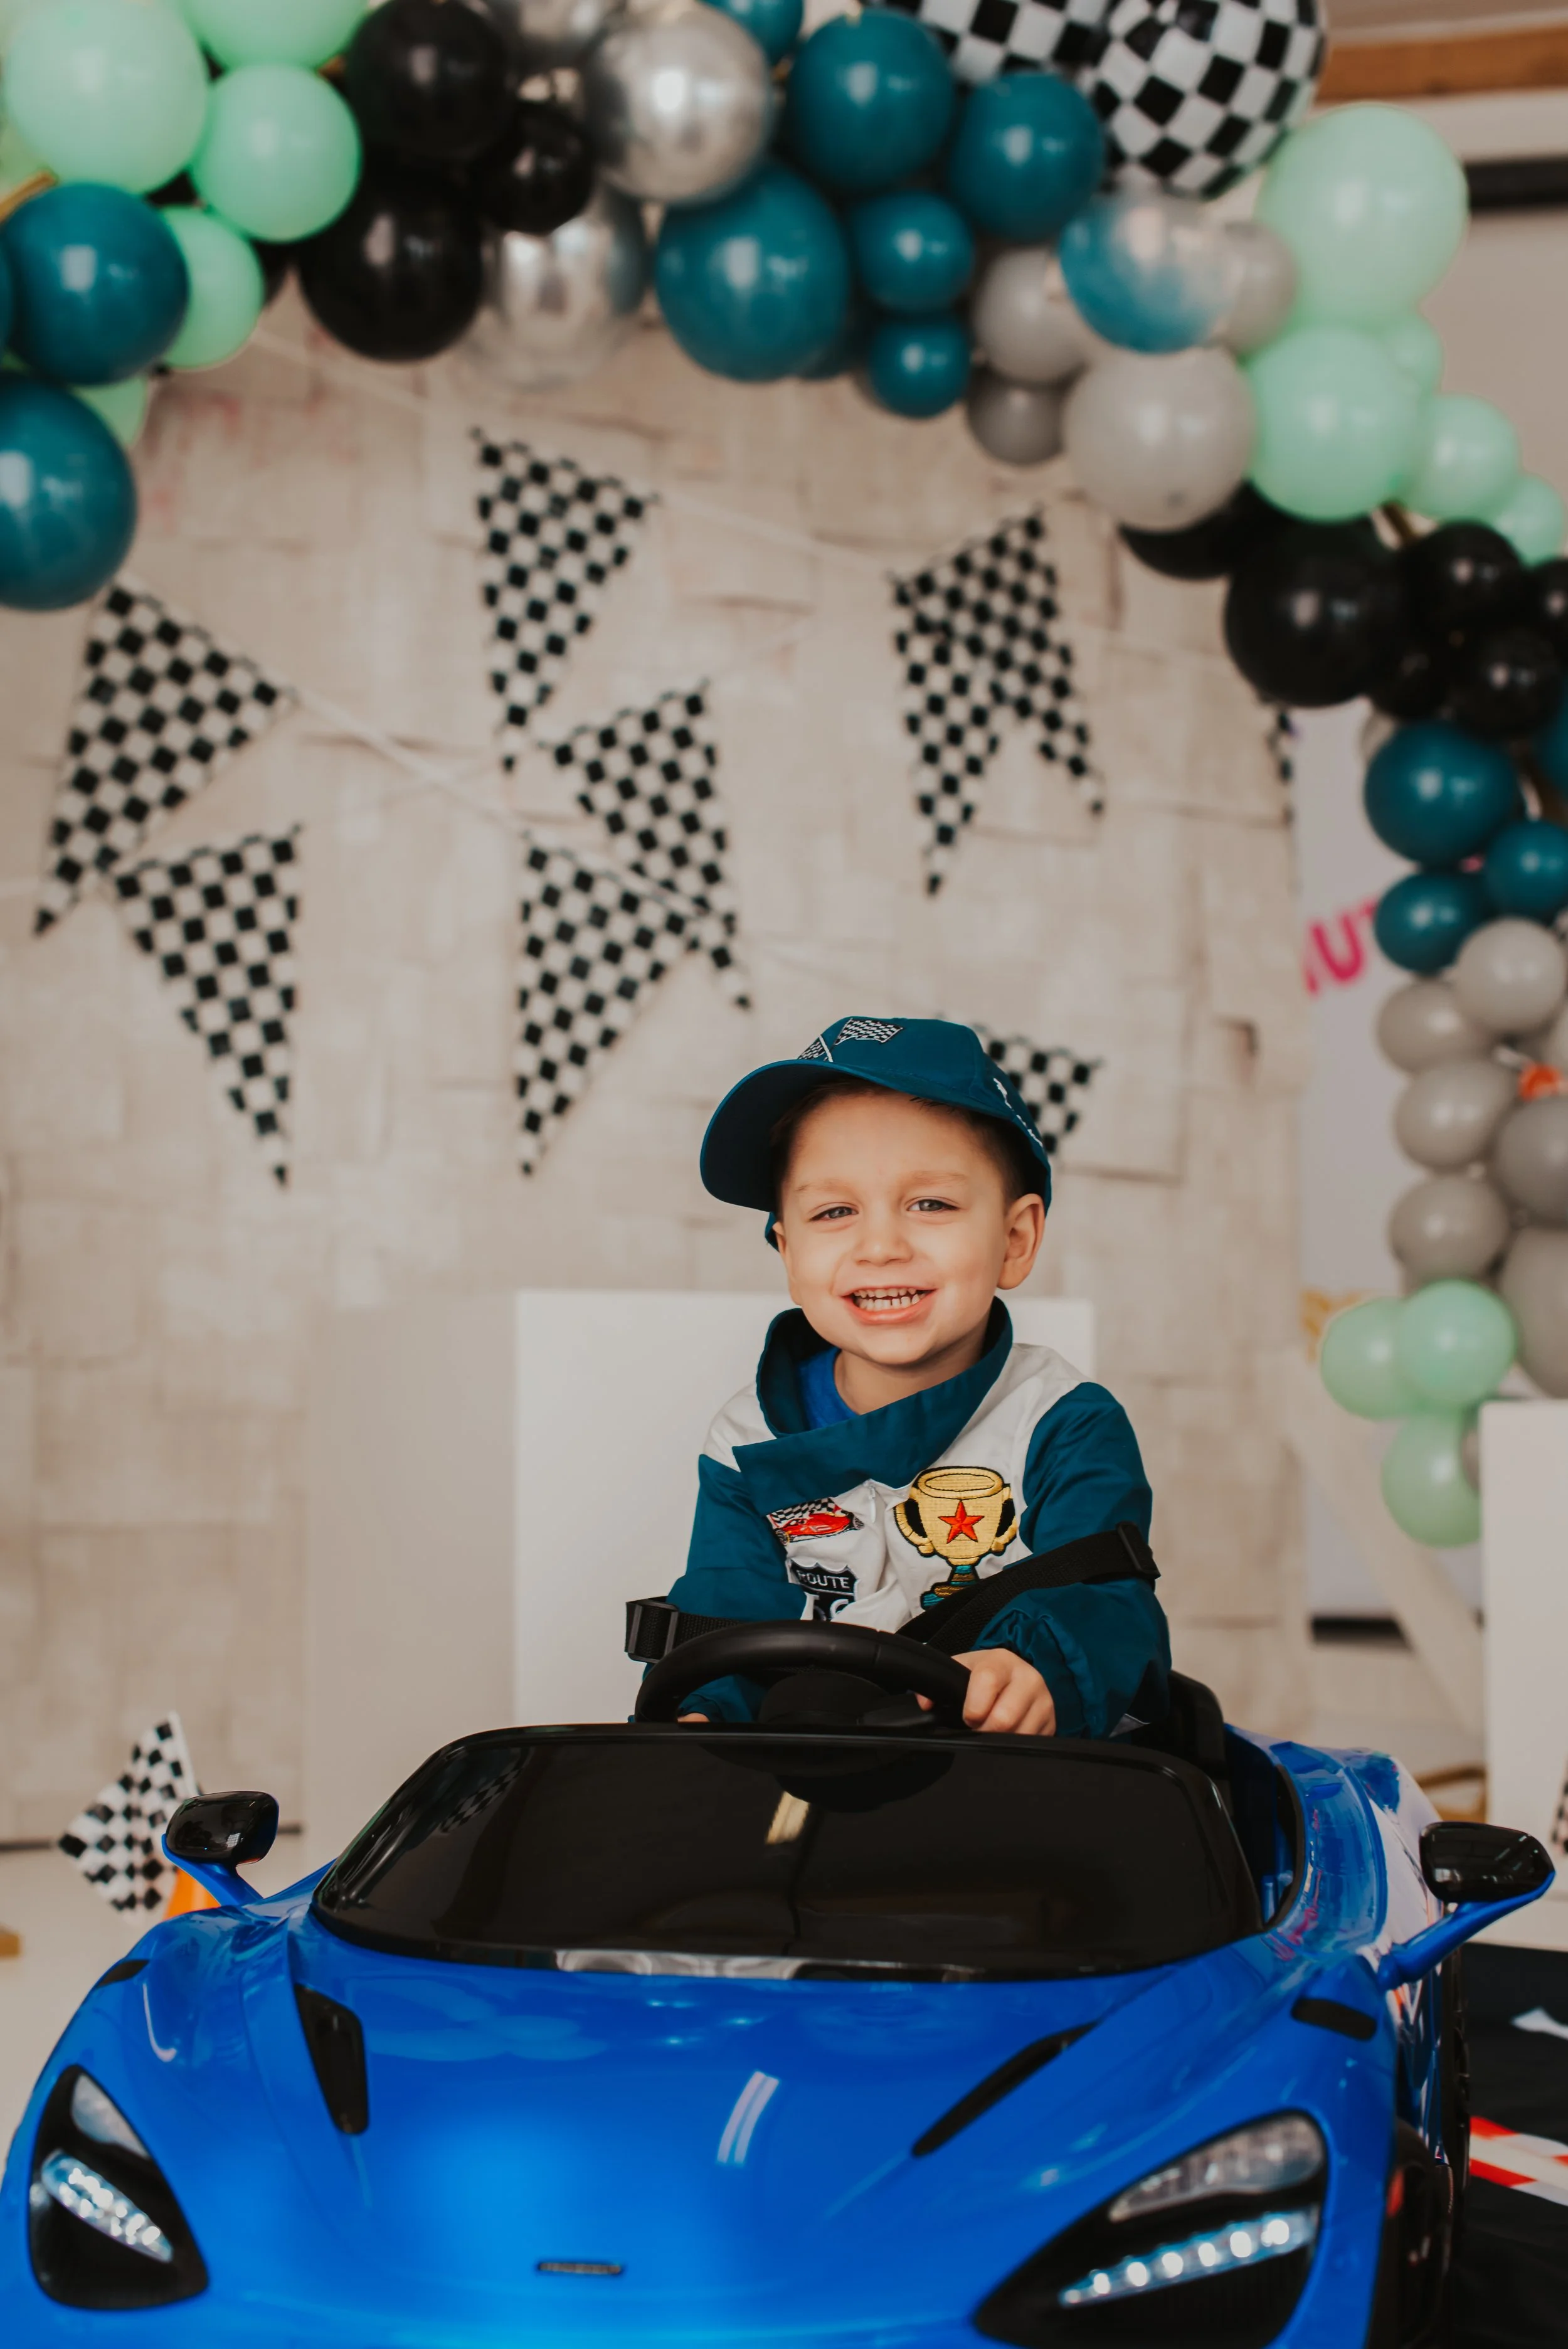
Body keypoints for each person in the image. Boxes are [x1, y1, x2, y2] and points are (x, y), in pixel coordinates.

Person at [662, 1015, 1170, 1737]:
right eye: (834, 1211)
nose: (879, 1246)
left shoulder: (1063, 1421)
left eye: (930, 1204)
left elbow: (1100, 1597)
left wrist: (1036, 1668)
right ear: (789, 1253)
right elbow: (725, 1609)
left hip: (1014, 1766)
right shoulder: (745, 1440)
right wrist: (700, 1713)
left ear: (1014, 1239)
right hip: (825, 1768)